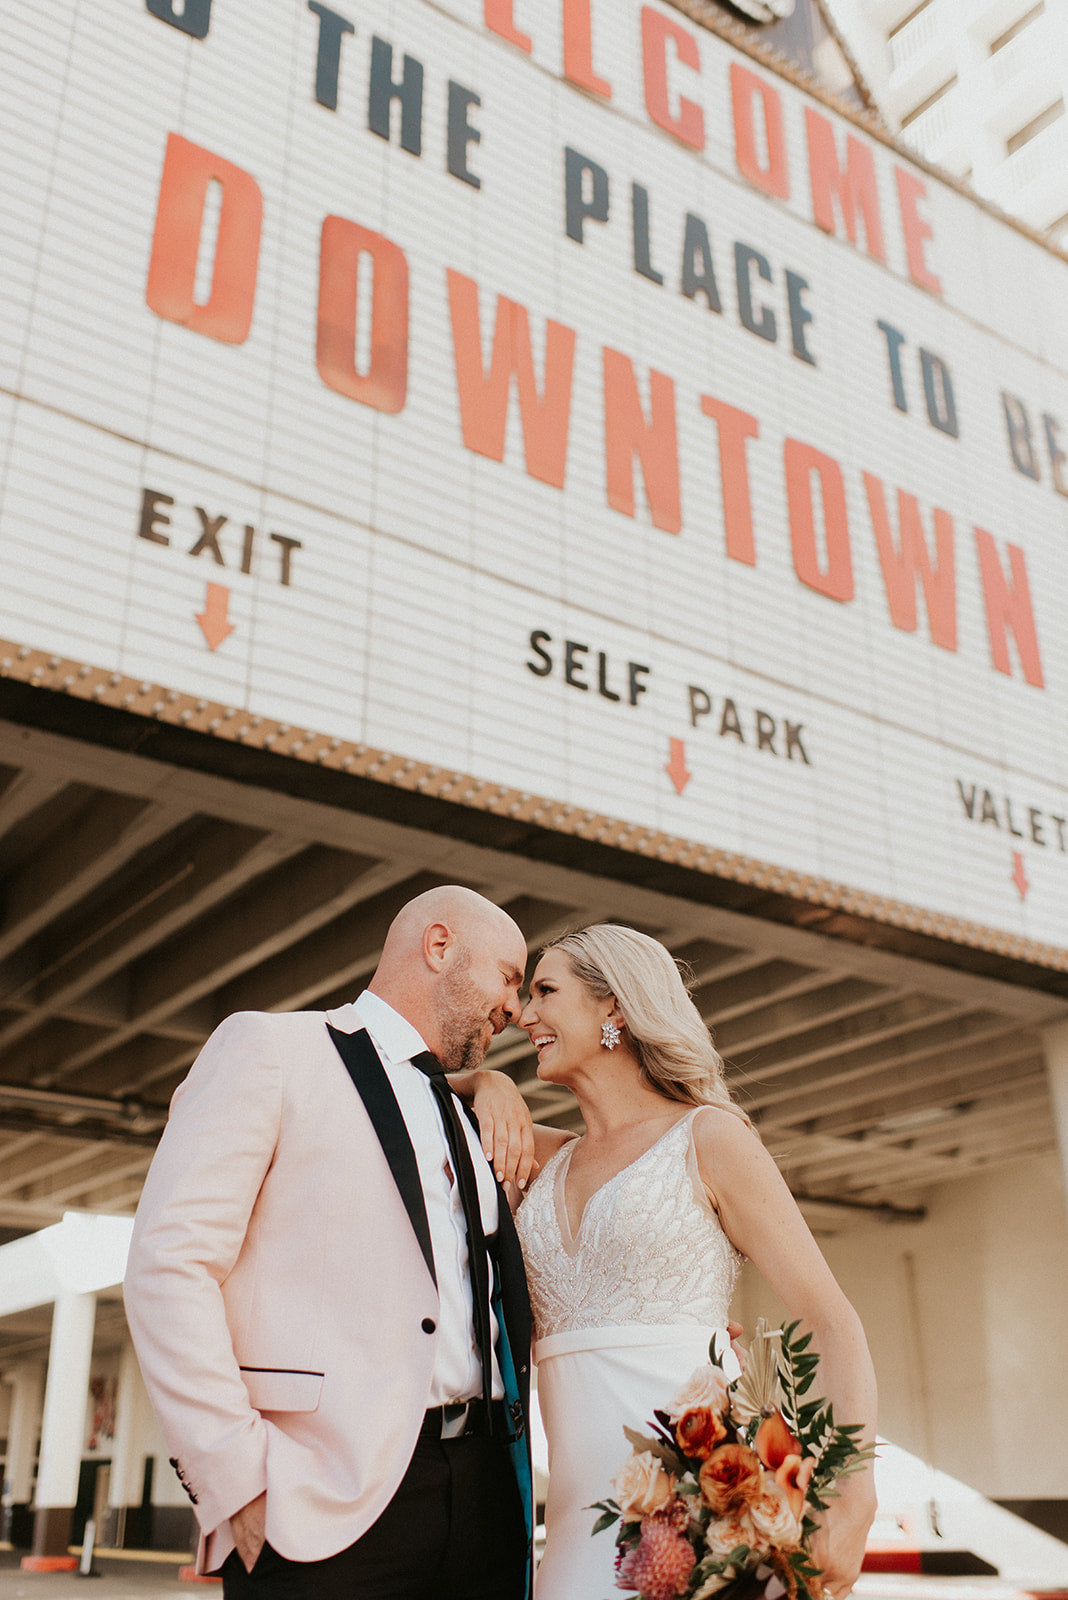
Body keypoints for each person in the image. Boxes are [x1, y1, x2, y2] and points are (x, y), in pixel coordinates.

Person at [123, 884, 537, 1600]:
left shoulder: (467, 1112)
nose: (516, 1008)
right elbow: (170, 1264)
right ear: (439, 947)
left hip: (487, 1497)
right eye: (508, 977)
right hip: (320, 1501)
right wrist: (235, 1480)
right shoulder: (272, 1050)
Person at [493, 924, 877, 1600]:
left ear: (613, 1007)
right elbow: (429, 1099)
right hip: (575, 1537)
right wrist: (489, 1080)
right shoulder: (542, 1159)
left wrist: (853, 1496)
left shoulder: (710, 1136)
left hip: (706, 1522)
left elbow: (829, 1317)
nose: (525, 1015)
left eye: (545, 992)